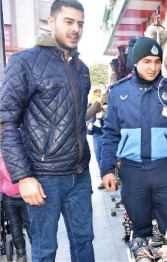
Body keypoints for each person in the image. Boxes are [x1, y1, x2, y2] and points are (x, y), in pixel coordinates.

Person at [0, 0, 95, 261]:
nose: (75, 28)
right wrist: (23, 176)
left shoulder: (82, 69)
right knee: (44, 250)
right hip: (43, 177)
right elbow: (6, 122)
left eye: (80, 24)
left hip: (79, 175)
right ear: (51, 22)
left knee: (84, 243)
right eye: (69, 21)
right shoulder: (24, 62)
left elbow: (74, 120)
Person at [100, 36, 167, 238]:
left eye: (157, 62)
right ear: (135, 63)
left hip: (165, 171)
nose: (152, 68)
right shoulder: (118, 93)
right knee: (141, 231)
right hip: (132, 173)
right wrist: (107, 169)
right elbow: (110, 134)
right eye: (146, 62)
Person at [86, 86, 106, 189]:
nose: (98, 93)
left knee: (107, 156)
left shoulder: (106, 104)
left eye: (99, 92)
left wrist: (104, 112)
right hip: (97, 134)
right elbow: (87, 117)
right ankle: (103, 179)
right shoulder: (91, 104)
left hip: (108, 133)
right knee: (99, 157)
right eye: (96, 92)